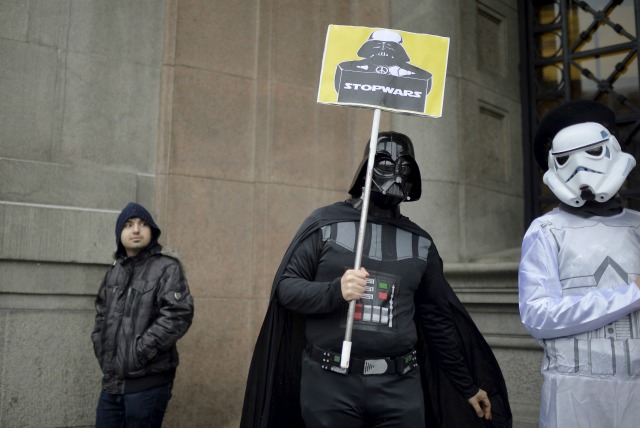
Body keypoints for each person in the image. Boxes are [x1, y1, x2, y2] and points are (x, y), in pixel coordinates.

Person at [241, 131, 512, 428]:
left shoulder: (420, 243)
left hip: (399, 386)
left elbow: (437, 320)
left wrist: (466, 385)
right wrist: (335, 290)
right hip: (330, 383)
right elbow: (286, 288)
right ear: (365, 169)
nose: (396, 174)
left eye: (405, 168)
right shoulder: (326, 225)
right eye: (384, 164)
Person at [519, 100, 640, 427]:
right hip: (573, 395)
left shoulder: (637, 226)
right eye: (566, 159)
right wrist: (630, 294)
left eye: (593, 152)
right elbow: (538, 315)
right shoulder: (546, 231)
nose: (581, 168)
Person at [91, 202, 194, 427]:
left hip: (147, 384)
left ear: (152, 231)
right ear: (120, 234)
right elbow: (101, 314)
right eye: (128, 225)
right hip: (111, 383)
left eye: (142, 224)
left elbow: (178, 315)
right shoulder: (114, 272)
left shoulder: (167, 268)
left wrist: (137, 353)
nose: (136, 230)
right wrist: (101, 347)